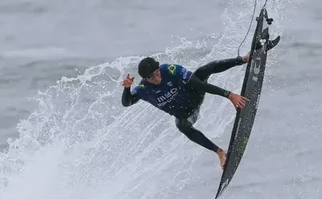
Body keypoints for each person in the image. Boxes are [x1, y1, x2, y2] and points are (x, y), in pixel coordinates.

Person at [120, 37, 280, 169]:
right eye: (152, 77)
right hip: (186, 114)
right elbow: (127, 102)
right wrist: (127, 89)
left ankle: (245, 58)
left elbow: (198, 84)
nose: (157, 77)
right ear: (146, 79)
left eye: (156, 73)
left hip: (194, 94)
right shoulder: (143, 89)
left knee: (204, 70)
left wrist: (229, 95)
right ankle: (219, 152)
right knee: (181, 126)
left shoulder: (170, 70)